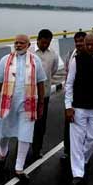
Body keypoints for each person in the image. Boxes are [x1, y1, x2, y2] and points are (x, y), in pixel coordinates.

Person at [0, 34, 47, 181]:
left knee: (25, 135)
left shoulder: (35, 61)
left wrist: (41, 105)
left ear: (28, 45)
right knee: (3, 133)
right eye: (16, 43)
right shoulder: (5, 60)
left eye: (21, 43)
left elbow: (41, 83)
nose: (18, 45)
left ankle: (19, 168)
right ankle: (2, 154)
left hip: (28, 104)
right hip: (8, 104)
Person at [64, 33, 93, 185]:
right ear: (84, 43)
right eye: (88, 44)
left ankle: (82, 159)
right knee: (76, 140)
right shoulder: (76, 60)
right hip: (79, 107)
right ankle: (77, 173)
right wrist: (68, 106)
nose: (90, 47)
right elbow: (69, 84)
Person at [30, 29, 59, 161]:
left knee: (40, 124)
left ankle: (37, 149)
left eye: (47, 43)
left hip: (44, 95)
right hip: (28, 95)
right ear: (38, 39)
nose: (45, 45)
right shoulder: (29, 51)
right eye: (43, 42)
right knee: (25, 123)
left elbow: (53, 71)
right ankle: (22, 148)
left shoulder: (53, 54)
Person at [61, 31, 86, 161]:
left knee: (84, 126)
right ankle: (67, 150)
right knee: (69, 124)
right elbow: (66, 73)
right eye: (77, 41)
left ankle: (83, 150)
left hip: (86, 97)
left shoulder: (91, 56)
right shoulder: (71, 55)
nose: (79, 44)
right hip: (71, 96)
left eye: (81, 41)